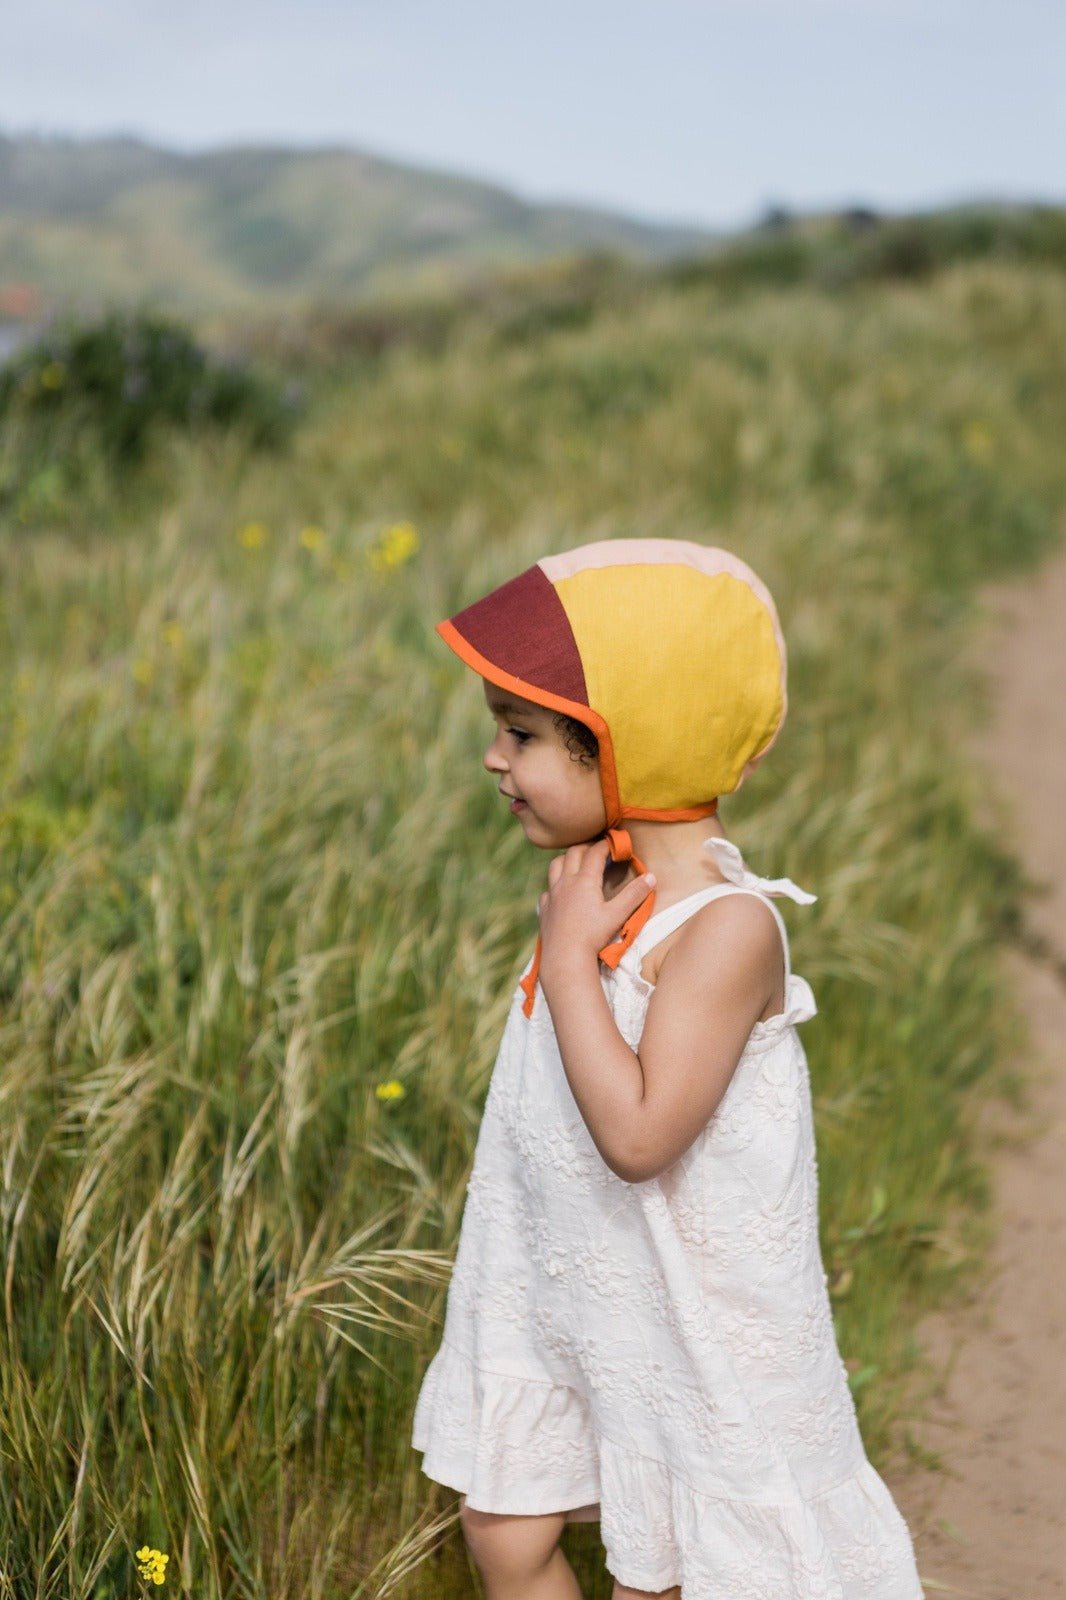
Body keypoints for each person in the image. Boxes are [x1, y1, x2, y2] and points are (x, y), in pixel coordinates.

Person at [411, 538, 923, 1600]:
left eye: (519, 735)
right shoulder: (596, 886)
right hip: (573, 1285)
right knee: (503, 1527)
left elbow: (640, 1137)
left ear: (623, 745)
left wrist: (563, 963)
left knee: (672, 1565)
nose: (493, 762)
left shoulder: (725, 929)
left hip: (692, 1317)